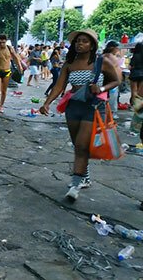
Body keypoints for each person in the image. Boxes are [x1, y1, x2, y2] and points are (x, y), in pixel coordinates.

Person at [40, 29, 121, 201]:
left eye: (84, 41)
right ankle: (85, 176)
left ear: (92, 45)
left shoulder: (102, 61)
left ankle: (75, 185)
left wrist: (102, 88)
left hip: (94, 106)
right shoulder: (70, 63)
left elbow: (116, 80)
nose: (80, 44)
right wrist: (47, 103)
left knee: (83, 145)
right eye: (77, 41)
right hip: (73, 106)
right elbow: (59, 86)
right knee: (78, 145)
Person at [0, 34, 22, 115]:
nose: (2, 44)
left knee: (4, 91)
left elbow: (16, 58)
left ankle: (1, 106)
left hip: (7, 72)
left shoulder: (10, 49)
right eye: (0, 42)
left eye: (3, 42)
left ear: (6, 41)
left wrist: (20, 67)